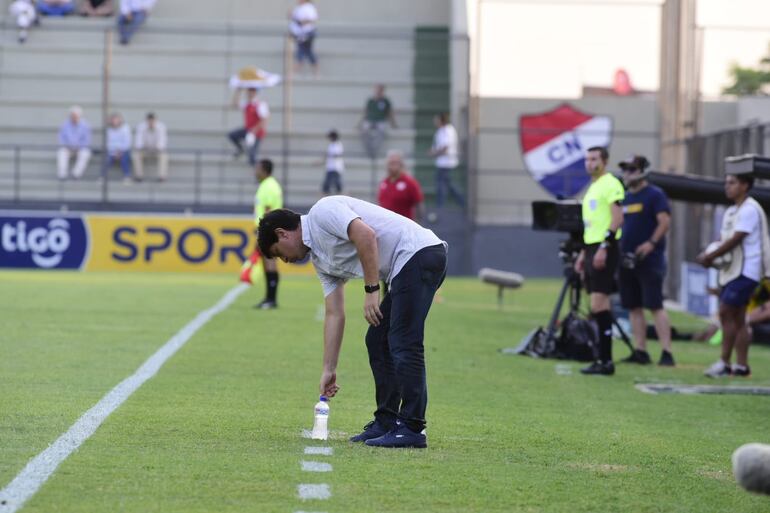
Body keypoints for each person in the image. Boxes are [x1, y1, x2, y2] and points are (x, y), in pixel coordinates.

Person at [257, 196, 447, 448]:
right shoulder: (320, 261)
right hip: (406, 265)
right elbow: (334, 312)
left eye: (279, 254)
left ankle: (412, 426)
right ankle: (387, 421)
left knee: (403, 341)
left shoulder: (322, 212)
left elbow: (365, 235)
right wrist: (329, 368)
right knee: (378, 340)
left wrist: (371, 291)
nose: (285, 261)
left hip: (419, 253)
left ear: (283, 235)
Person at [698, 172, 770, 378]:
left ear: (745, 185)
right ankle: (742, 366)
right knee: (739, 319)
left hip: (748, 270)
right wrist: (707, 255)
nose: (727, 186)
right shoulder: (731, 211)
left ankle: (724, 363)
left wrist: (710, 256)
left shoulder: (750, 209)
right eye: (726, 182)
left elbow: (736, 240)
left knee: (725, 311)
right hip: (733, 270)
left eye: (732, 183)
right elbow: (723, 239)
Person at [617, 155, 675, 367]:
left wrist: (651, 243)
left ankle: (666, 352)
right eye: (625, 169)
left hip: (649, 259)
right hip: (628, 259)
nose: (627, 174)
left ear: (643, 171)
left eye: (632, 169)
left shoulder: (654, 195)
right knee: (633, 306)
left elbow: (664, 222)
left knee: (655, 305)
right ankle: (640, 350)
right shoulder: (625, 197)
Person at [575, 146, 624, 376]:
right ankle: (603, 359)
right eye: (587, 159)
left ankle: (605, 360)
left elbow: (617, 218)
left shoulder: (611, 183)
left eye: (594, 159)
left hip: (606, 248)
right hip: (593, 247)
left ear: (604, 161)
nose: (589, 163)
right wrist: (585, 254)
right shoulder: (593, 187)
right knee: (598, 306)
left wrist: (605, 246)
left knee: (598, 305)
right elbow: (592, 226)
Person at [252, 159, 284, 309]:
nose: (255, 171)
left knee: (270, 262)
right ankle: (269, 298)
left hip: (269, 229)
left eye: (257, 168)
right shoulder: (268, 185)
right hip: (269, 228)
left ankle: (271, 299)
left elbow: (268, 210)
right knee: (268, 263)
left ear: (264, 169)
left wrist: (263, 233)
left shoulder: (269, 186)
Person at [378, 149, 424, 221]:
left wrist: (418, 223)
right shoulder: (384, 182)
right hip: (386, 225)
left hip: (403, 226)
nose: (392, 166)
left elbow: (418, 204)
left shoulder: (410, 182)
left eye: (395, 163)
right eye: (390, 163)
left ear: (401, 165)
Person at [429, 113, 464, 208]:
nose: (435, 122)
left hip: (446, 163)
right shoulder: (441, 131)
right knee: (448, 184)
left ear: (441, 120)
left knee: (441, 185)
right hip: (442, 162)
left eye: (437, 119)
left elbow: (445, 148)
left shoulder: (448, 130)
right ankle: (462, 201)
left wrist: (434, 153)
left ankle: (440, 206)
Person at [228, 88, 269, 167]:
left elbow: (264, 120)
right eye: (249, 91)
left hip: (257, 133)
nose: (250, 93)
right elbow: (234, 105)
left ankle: (258, 173)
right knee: (232, 135)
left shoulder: (260, 104)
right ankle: (241, 149)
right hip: (248, 130)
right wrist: (238, 91)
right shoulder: (246, 103)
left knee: (252, 155)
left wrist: (254, 130)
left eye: (252, 91)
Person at [358, 84, 397, 160]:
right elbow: (365, 112)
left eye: (380, 90)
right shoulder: (370, 100)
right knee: (364, 131)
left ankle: (374, 152)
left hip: (380, 121)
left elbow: (390, 113)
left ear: (383, 91)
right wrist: (359, 124)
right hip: (369, 120)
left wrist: (394, 124)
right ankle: (370, 151)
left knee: (381, 132)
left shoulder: (386, 101)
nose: (378, 92)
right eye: (377, 90)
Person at [57, 106, 92, 180]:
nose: (74, 117)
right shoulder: (64, 125)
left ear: (80, 116)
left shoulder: (85, 125)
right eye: (72, 115)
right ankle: (62, 175)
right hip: (68, 148)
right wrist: (67, 147)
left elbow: (87, 140)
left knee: (86, 153)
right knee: (61, 152)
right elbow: (61, 138)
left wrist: (78, 148)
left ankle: (76, 174)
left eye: (76, 115)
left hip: (80, 148)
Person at [132, 112, 168, 182]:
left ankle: (162, 176)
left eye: (153, 120)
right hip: (145, 149)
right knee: (135, 155)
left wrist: (157, 148)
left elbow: (162, 142)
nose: (151, 122)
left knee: (164, 155)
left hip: (157, 150)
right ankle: (139, 176)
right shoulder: (141, 127)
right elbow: (138, 142)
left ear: (156, 120)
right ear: (146, 121)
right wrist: (142, 147)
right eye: (149, 120)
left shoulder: (161, 127)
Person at [288, 0, 318, 74]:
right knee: (307, 51)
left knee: (303, 51)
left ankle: (294, 72)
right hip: (299, 33)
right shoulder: (299, 8)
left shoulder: (309, 7)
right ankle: (315, 72)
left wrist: (300, 22)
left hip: (306, 33)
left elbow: (311, 19)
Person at [102, 113, 132, 182]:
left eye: (116, 120)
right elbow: (108, 144)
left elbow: (127, 143)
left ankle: (127, 176)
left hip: (123, 151)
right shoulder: (108, 130)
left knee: (125, 158)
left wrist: (119, 151)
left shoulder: (125, 128)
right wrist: (114, 152)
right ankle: (102, 176)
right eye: (113, 120)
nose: (115, 122)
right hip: (112, 151)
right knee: (107, 159)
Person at [321, 130, 344, 196]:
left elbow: (338, 154)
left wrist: (330, 156)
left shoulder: (338, 144)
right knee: (326, 186)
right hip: (330, 167)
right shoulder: (331, 145)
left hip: (336, 168)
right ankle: (326, 198)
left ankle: (341, 198)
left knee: (338, 185)